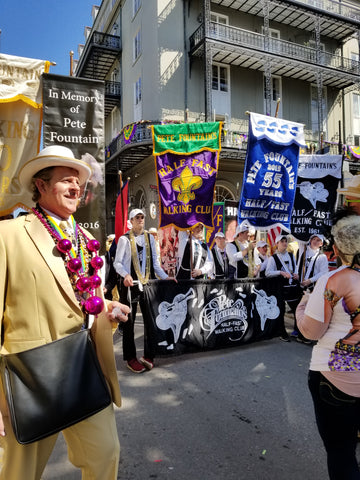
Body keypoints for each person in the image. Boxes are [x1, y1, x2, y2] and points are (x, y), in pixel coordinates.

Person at [0, 145, 130, 480]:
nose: (76, 187)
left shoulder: (87, 239)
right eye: (66, 180)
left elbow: (89, 302)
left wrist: (108, 311)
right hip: (29, 378)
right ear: (41, 186)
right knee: (19, 473)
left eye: (79, 182)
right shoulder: (8, 235)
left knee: (105, 454)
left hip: (84, 368)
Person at [296, 215, 360, 480]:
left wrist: (303, 304)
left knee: (341, 453)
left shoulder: (332, 280)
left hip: (336, 379)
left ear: (337, 249)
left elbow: (311, 331)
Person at [114, 208, 174, 373]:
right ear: (131, 221)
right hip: (130, 285)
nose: (140, 219)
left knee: (150, 321)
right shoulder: (124, 239)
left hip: (146, 284)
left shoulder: (149, 237)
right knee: (129, 323)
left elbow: (155, 263)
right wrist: (125, 274)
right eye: (137, 217)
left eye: (142, 217)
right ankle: (130, 358)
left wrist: (164, 277)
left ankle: (149, 356)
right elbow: (117, 263)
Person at [265, 234, 300, 342]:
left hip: (292, 286)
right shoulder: (273, 258)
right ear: (277, 244)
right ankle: (282, 332)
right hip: (280, 287)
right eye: (282, 241)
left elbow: (295, 269)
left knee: (297, 309)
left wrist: (296, 274)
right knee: (281, 310)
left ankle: (297, 330)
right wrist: (280, 272)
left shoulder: (291, 255)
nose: (285, 243)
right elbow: (268, 273)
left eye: (286, 241)